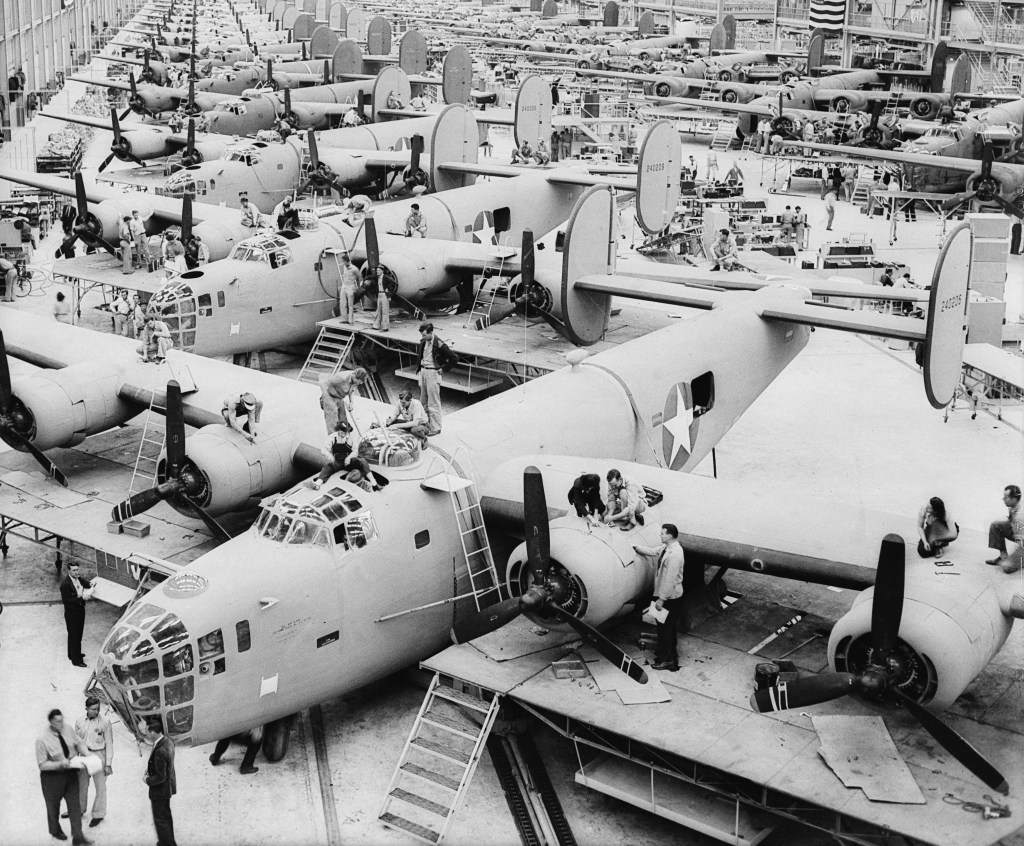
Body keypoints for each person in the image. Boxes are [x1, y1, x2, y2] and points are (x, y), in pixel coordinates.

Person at [633, 523, 685, 671]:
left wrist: (662, 599)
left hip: (669, 597)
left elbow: (670, 579)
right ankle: (666, 654)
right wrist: (635, 547)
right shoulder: (667, 548)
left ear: (669, 535)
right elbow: (652, 551)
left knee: (666, 629)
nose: (660, 535)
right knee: (664, 628)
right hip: (664, 594)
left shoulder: (675, 554)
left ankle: (667, 660)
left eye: (662, 534)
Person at [37, 709, 92, 845]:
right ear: (50, 722)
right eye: (57, 722)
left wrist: (86, 753)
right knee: (53, 807)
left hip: (71, 773)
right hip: (52, 778)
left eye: (62, 720)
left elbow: (78, 743)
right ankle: (55, 830)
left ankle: (78, 837)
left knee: (75, 806)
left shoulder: (67, 729)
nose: (61, 724)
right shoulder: (42, 739)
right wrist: (59, 764)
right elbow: (42, 765)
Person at [75, 698, 113, 828]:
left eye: (98, 708)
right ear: (86, 708)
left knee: (100, 788)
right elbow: (76, 742)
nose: (96, 711)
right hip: (84, 756)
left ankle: (98, 814)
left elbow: (109, 744)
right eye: (93, 709)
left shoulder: (105, 722)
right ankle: (79, 810)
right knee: (81, 786)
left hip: (99, 756)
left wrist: (108, 764)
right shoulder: (79, 721)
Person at [416, 322, 456, 435]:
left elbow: (454, 358)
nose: (422, 337)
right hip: (424, 371)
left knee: (433, 402)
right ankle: (426, 424)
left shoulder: (439, 344)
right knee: (423, 400)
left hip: (433, 373)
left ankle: (436, 427)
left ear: (431, 333)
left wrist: (443, 369)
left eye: (424, 335)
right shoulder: (424, 341)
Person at [142, 718, 177, 846]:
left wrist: (147, 779)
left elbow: (160, 777)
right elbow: (167, 767)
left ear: (153, 732)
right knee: (166, 818)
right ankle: (166, 841)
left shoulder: (160, 750)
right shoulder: (167, 742)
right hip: (166, 789)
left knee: (160, 820)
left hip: (159, 791)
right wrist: (152, 768)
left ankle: (167, 843)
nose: (146, 733)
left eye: (147, 731)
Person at [60, 563, 94, 667]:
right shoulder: (65, 584)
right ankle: (77, 660)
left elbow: (84, 582)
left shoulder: (77, 578)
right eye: (74, 570)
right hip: (72, 612)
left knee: (74, 635)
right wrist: (81, 598)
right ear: (68, 571)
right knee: (75, 635)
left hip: (79, 609)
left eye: (77, 570)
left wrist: (90, 584)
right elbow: (66, 601)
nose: (77, 572)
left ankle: (72, 654)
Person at [986, 484, 1023, 572]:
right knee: (996, 525)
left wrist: (1015, 558)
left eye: (1006, 497)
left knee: (1007, 567)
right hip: (1018, 533)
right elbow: (1010, 522)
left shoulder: (1021, 516)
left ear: (1014, 499)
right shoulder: (1013, 507)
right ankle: (1003, 557)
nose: (1003, 499)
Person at [335, 252, 361, 324]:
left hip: (350, 286)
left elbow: (359, 277)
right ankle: (344, 318)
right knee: (342, 303)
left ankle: (350, 320)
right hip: (344, 285)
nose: (343, 263)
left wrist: (358, 286)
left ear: (347, 261)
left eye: (344, 261)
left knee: (350, 304)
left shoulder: (354, 269)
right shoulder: (344, 267)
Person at [372, 266, 395, 332]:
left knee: (385, 311)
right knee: (379, 310)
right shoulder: (377, 277)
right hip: (379, 294)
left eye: (379, 270)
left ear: (382, 271)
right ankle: (376, 325)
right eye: (377, 270)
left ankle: (385, 327)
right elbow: (370, 277)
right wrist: (363, 280)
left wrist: (388, 288)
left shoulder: (385, 277)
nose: (377, 271)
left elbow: (393, 282)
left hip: (384, 295)